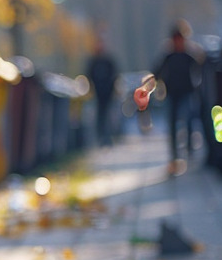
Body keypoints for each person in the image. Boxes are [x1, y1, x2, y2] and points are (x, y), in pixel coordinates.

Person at [134, 21, 204, 173]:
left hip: (187, 94)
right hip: (172, 95)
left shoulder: (189, 56)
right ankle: (175, 157)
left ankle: (189, 151)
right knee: (173, 125)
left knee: (187, 121)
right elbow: (157, 73)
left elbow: (200, 69)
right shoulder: (168, 56)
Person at [85, 38, 119, 146]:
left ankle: (108, 138)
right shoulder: (93, 62)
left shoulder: (108, 61)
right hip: (98, 94)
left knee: (108, 116)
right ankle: (101, 138)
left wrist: (113, 89)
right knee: (100, 116)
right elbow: (88, 76)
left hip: (108, 93)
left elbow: (115, 76)